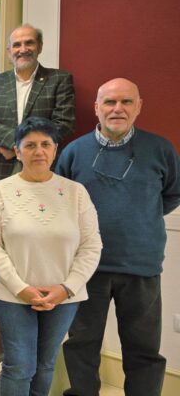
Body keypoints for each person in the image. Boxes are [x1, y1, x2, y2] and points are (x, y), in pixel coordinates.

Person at [57, 78, 180, 396]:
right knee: (82, 344)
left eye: (126, 102)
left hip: (141, 267)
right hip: (86, 268)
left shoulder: (161, 150)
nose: (117, 109)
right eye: (110, 102)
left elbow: (171, 195)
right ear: (97, 108)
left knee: (144, 351)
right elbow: (61, 202)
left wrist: (138, 219)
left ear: (139, 107)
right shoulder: (74, 153)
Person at [0, 116, 102, 396]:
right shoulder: (1, 191)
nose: (39, 151)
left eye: (46, 144)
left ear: (55, 149)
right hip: (13, 295)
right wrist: (21, 288)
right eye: (30, 144)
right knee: (19, 367)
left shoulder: (76, 193)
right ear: (18, 150)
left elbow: (92, 245)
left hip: (64, 296)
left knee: (46, 364)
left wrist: (66, 288)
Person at [0, 24, 76, 322]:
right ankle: (1, 301)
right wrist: (15, 145)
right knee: (1, 238)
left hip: (44, 170)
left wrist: (26, 149)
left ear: (39, 46)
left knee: (39, 233)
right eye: (16, 44)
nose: (22, 49)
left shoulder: (59, 79)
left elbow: (64, 122)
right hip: (1, 166)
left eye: (28, 43)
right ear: (9, 51)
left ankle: (41, 294)